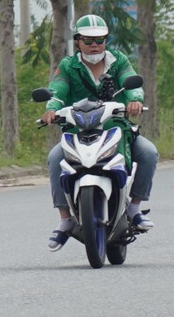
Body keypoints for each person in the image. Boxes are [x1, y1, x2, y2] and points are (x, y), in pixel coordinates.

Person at [40, 14, 158, 251]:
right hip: (77, 130)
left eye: (100, 40)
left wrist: (134, 100)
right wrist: (52, 109)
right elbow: (58, 89)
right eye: (88, 40)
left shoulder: (119, 61)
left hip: (117, 128)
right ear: (78, 41)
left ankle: (134, 208)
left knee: (149, 152)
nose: (94, 45)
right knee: (55, 159)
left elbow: (130, 81)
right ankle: (65, 219)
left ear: (106, 40)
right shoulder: (68, 66)